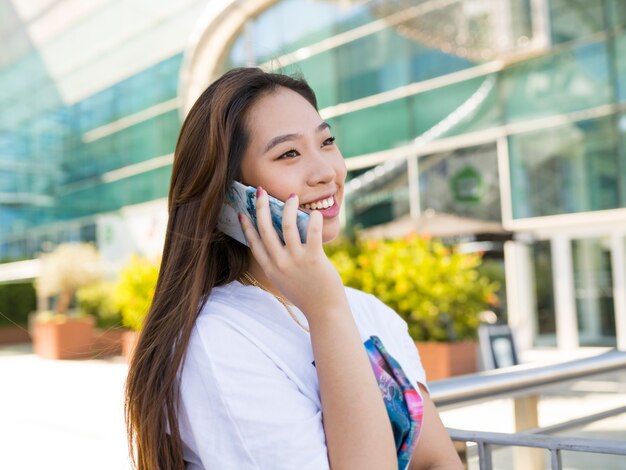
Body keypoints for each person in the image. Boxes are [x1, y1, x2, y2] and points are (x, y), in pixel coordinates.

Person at [125, 67, 463, 470]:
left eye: (327, 141)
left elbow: (440, 463)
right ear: (230, 197)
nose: (326, 173)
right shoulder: (215, 340)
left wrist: (330, 306)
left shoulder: (369, 311)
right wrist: (326, 312)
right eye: (289, 154)